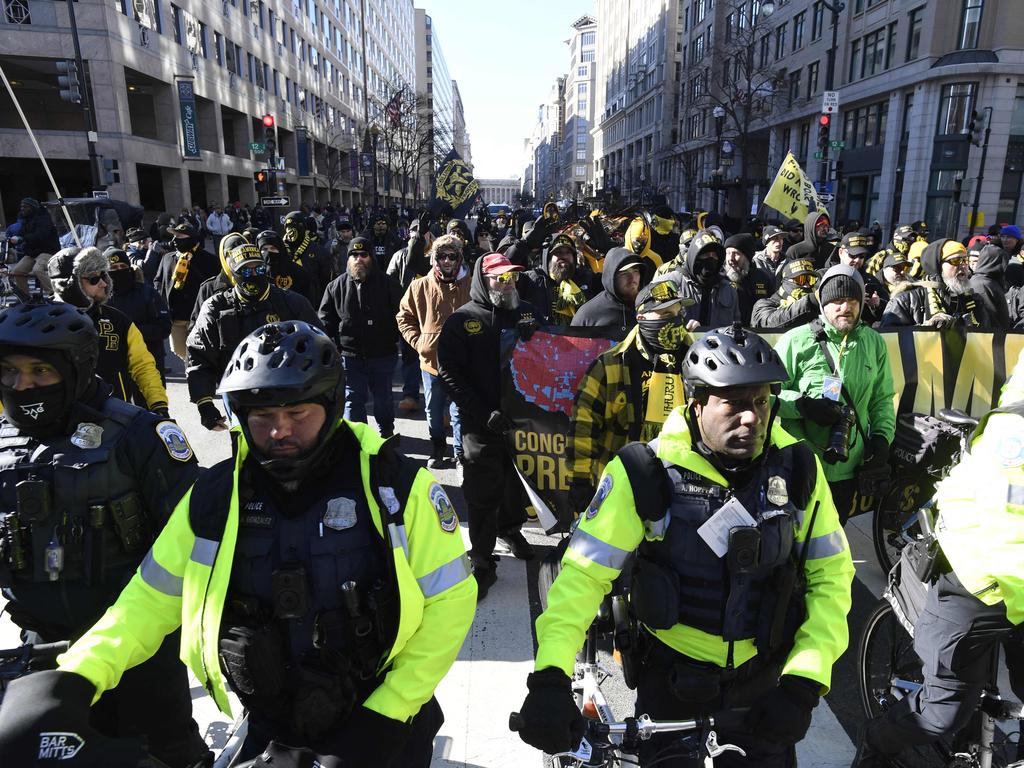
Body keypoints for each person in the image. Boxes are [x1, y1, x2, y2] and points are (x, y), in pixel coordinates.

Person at [0, 320, 477, 768]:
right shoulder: (213, 497)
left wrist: (386, 716)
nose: (280, 431)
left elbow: (450, 603)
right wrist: (78, 675)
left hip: (381, 719)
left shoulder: (396, 486)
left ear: (330, 405)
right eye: (263, 416)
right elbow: (147, 600)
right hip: (270, 722)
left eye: (297, 413)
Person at [517, 323, 855, 767]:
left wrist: (805, 682)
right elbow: (582, 576)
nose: (751, 417)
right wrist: (550, 678)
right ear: (695, 405)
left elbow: (831, 577)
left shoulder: (798, 469)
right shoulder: (643, 471)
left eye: (761, 401)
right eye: (733, 403)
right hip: (672, 684)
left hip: (765, 687)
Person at [0, 298, 209, 768]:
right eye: (10, 371)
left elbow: (201, 543)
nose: (22, 384)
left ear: (75, 367)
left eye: (39, 370)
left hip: (140, 652)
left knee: (167, 753)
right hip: (43, 651)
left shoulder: (140, 436)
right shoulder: (4, 441)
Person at [852, 400, 1024, 767]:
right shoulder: (1015, 433)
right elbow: (1005, 517)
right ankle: (876, 742)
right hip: (977, 578)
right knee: (940, 714)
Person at [437, 252, 538, 598]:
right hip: (481, 423)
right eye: (499, 278)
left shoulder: (527, 311)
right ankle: (481, 557)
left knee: (516, 484)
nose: (506, 284)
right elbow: (449, 374)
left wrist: (536, 334)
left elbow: (553, 355)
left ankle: (511, 529)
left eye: (511, 277)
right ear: (483, 279)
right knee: (482, 490)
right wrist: (481, 412)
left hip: (522, 420)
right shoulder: (462, 321)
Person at [775, 266, 896, 524]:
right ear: (823, 303)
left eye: (852, 300)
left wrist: (882, 438)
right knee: (789, 543)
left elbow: (882, 399)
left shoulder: (874, 343)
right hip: (799, 465)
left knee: (830, 543)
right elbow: (768, 396)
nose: (845, 307)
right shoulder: (796, 341)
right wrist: (802, 406)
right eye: (837, 301)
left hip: (847, 470)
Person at [567, 273, 694, 514]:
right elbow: (583, 427)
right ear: (641, 317)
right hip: (623, 483)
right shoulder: (610, 365)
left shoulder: (696, 362)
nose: (674, 321)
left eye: (678, 313)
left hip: (683, 487)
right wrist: (580, 479)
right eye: (665, 314)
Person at [188, 239, 319, 431]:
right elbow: (199, 354)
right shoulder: (216, 307)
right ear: (233, 274)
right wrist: (205, 404)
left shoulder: (292, 303)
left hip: (288, 393)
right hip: (239, 395)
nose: (254, 275)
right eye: (246, 271)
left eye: (259, 270)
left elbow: (316, 346)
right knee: (246, 451)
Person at [48, 246, 169, 414]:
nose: (103, 283)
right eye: (93, 279)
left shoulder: (119, 321)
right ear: (69, 284)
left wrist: (158, 404)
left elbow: (143, 366)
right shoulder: (41, 324)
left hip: (113, 415)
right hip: (60, 421)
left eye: (104, 275)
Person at [397, 234, 471, 468]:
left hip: (462, 363)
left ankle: (459, 453)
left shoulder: (472, 284)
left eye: (452, 256)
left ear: (460, 258)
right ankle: (438, 449)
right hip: (431, 362)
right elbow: (403, 316)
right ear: (434, 259)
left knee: (460, 411)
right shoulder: (419, 285)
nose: (447, 261)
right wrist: (419, 342)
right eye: (442, 256)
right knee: (433, 410)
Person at [319, 236, 403, 439]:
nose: (359, 259)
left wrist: (397, 341)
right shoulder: (335, 286)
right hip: (349, 356)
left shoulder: (388, 284)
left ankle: (386, 433)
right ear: (348, 259)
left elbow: (403, 316)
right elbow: (324, 320)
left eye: (363, 254)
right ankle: (358, 439)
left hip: (382, 354)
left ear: (371, 257)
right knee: (353, 399)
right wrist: (333, 347)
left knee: (383, 399)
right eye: (354, 255)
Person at [881, 239, 988, 328]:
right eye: (955, 261)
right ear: (938, 266)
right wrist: (926, 328)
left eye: (965, 260)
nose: (963, 266)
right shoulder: (906, 300)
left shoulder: (974, 301)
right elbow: (890, 339)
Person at [104, 247, 172, 385]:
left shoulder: (147, 294)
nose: (119, 270)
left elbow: (164, 327)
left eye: (122, 266)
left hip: (148, 359)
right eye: (113, 267)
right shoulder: (101, 298)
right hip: (115, 364)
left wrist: (131, 332)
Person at [154, 222, 220, 361]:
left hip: (199, 316)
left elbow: (216, 285)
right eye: (174, 236)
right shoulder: (167, 258)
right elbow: (158, 280)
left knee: (201, 352)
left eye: (180, 237)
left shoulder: (208, 260)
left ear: (191, 239)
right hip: (176, 316)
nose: (175, 241)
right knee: (180, 351)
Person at [571, 246, 651, 333]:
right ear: (611, 277)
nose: (632, 279)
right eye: (624, 273)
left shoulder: (652, 308)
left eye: (635, 271)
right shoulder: (588, 315)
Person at [517, 232, 591, 326]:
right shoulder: (532, 279)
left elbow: (611, 284)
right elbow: (500, 277)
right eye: (558, 252)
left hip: (580, 337)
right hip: (541, 338)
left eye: (568, 252)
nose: (564, 256)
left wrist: (610, 248)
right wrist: (524, 244)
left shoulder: (585, 278)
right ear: (547, 257)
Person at [674, 229, 741, 329]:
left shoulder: (729, 290)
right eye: (705, 254)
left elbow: (736, 328)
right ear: (694, 255)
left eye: (714, 256)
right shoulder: (671, 283)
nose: (711, 259)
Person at [751, 258, 820, 331]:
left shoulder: (816, 304)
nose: (807, 285)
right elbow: (769, 324)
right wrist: (810, 301)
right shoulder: (764, 304)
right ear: (786, 282)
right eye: (801, 280)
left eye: (810, 280)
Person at [8, 197, 58, 295]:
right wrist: (13, 239)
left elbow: (40, 235)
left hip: (47, 251)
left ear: (32, 208)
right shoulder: (25, 220)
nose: (22, 209)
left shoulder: (44, 219)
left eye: (25, 207)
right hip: (32, 253)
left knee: (37, 269)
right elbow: (21, 234)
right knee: (17, 271)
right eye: (21, 206)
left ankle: (54, 293)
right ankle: (25, 297)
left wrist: (23, 239)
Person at [723, 233, 774, 325]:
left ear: (747, 257)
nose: (730, 258)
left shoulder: (762, 278)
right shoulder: (720, 278)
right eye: (728, 253)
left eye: (736, 253)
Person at [283, 210, 333, 300]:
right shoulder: (279, 251)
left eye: (297, 226)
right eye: (288, 227)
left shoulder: (319, 251)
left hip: (312, 305)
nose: (291, 230)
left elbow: (326, 283)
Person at [257, 228, 316, 305]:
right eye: (264, 249)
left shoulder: (297, 272)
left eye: (273, 248)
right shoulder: (256, 272)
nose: (268, 252)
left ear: (280, 249)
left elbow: (307, 302)